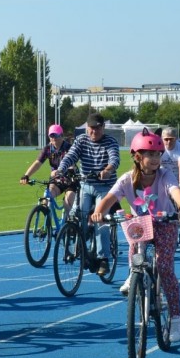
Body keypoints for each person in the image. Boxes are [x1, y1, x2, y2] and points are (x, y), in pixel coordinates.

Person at [92, 129, 180, 340]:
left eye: (158, 154)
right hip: (141, 224)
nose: (155, 159)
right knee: (135, 242)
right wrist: (99, 211)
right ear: (137, 156)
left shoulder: (165, 174)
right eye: (150, 154)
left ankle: (176, 318)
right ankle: (133, 274)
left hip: (165, 223)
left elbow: (175, 191)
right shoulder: (127, 179)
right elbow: (111, 196)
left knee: (164, 267)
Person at [55, 112, 120, 275]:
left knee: (100, 219)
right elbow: (71, 156)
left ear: (103, 128)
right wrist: (61, 169)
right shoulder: (81, 140)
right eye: (91, 128)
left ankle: (103, 258)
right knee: (76, 215)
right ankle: (82, 248)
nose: (94, 132)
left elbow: (114, 159)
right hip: (85, 184)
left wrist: (108, 169)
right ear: (87, 128)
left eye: (97, 128)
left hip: (104, 187)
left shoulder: (110, 141)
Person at [20, 123, 76, 216]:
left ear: (62, 136)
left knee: (67, 204)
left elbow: (72, 165)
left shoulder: (69, 148)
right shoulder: (48, 148)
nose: (54, 138)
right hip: (56, 180)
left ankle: (68, 227)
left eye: (56, 135)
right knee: (45, 199)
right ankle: (47, 224)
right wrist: (26, 175)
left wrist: (61, 171)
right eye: (51, 135)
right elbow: (38, 163)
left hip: (70, 180)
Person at [159, 127, 180, 248]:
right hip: (163, 181)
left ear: (176, 139)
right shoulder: (160, 148)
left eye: (171, 139)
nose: (168, 142)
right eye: (166, 139)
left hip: (177, 180)